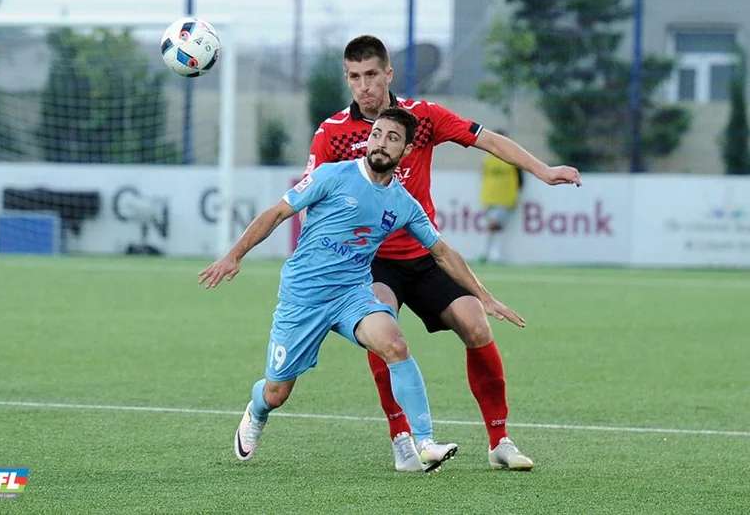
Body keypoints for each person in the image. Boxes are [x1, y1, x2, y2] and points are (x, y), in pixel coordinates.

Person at [304, 35, 582, 471]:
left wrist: (543, 171)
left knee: (477, 327)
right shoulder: (332, 134)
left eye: (372, 75)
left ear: (388, 74)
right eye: (354, 77)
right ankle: (402, 440)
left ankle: (500, 441)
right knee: (384, 335)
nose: (364, 86)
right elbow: (310, 198)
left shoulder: (423, 117)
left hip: (425, 254)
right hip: (372, 261)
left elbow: (487, 140)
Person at [200, 107, 525, 472]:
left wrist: (483, 296)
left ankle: (425, 442)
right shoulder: (332, 175)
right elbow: (277, 213)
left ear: (405, 152)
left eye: (392, 138)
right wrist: (234, 255)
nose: (381, 143)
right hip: (304, 297)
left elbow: (443, 253)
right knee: (278, 392)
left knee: (394, 344)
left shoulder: (403, 204)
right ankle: (257, 409)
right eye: (377, 134)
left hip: (352, 294)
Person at [479, 129, 524, 264]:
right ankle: (491, 254)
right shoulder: (488, 158)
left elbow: (520, 180)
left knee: (494, 225)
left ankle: (491, 254)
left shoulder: (513, 158)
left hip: (505, 198)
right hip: (490, 198)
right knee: (494, 226)